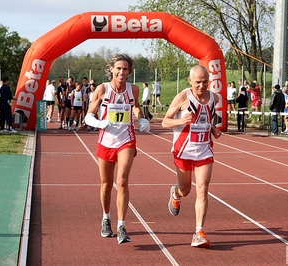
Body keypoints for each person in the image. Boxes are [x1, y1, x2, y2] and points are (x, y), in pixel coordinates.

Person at [84, 53, 150, 244]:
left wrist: (142, 118)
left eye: (125, 69)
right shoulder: (102, 89)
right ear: (111, 69)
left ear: (130, 71)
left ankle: (122, 226)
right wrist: (98, 123)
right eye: (118, 68)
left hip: (126, 140)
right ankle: (106, 218)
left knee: (121, 181)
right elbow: (89, 115)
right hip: (106, 140)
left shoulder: (134, 90)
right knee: (106, 185)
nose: (121, 72)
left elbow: (135, 107)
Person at [162, 65, 222, 248]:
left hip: (204, 150)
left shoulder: (214, 97)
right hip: (184, 150)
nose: (202, 86)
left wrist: (211, 128)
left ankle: (199, 232)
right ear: (190, 81)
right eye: (198, 82)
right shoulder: (183, 96)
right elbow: (165, 122)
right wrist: (181, 120)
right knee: (185, 189)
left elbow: (207, 118)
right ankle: (176, 194)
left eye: (205, 82)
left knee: (202, 189)